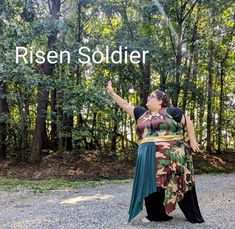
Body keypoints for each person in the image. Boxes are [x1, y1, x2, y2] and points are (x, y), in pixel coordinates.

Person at [106, 81, 205, 224]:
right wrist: (112, 93)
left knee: (178, 180)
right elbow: (126, 105)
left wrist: (193, 141)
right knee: (150, 183)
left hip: (172, 154)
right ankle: (156, 214)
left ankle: (192, 215)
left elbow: (188, 122)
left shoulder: (171, 111)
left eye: (151, 96)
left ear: (160, 101)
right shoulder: (141, 113)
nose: (148, 98)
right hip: (147, 154)